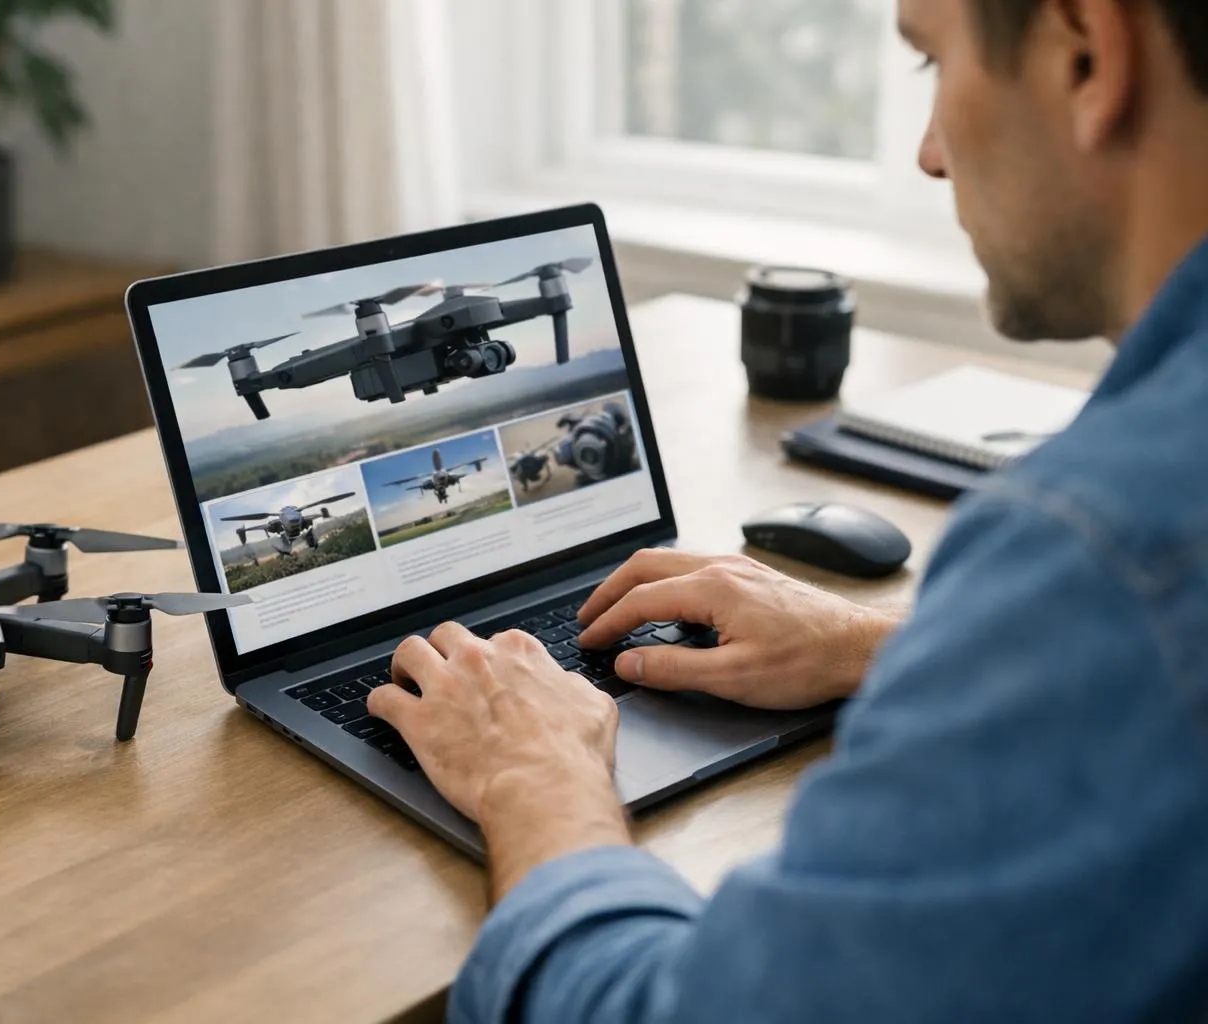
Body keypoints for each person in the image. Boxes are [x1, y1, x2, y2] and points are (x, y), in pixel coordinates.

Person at [365, 0, 1208, 1019]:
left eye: (932, 64)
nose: (932, 156)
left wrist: (536, 780)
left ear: (1086, 53)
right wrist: (887, 645)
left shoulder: (1104, 548)